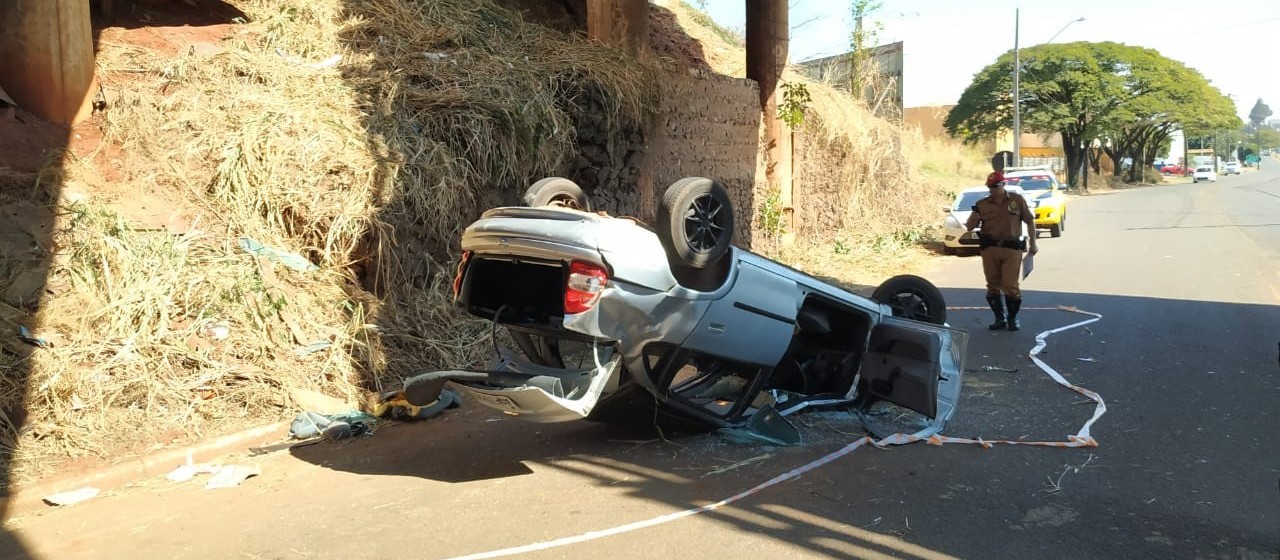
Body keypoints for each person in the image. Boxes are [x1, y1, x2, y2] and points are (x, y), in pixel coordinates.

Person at [965, 170, 1038, 331]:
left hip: (1011, 249)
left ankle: (1012, 318)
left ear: (1003, 184)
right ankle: (999, 318)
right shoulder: (982, 204)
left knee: (1010, 285)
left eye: (995, 186)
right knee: (992, 285)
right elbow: (969, 227)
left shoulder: (1016, 201)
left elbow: (1030, 222)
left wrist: (1033, 244)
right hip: (990, 249)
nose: (992, 189)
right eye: (990, 186)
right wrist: (974, 218)